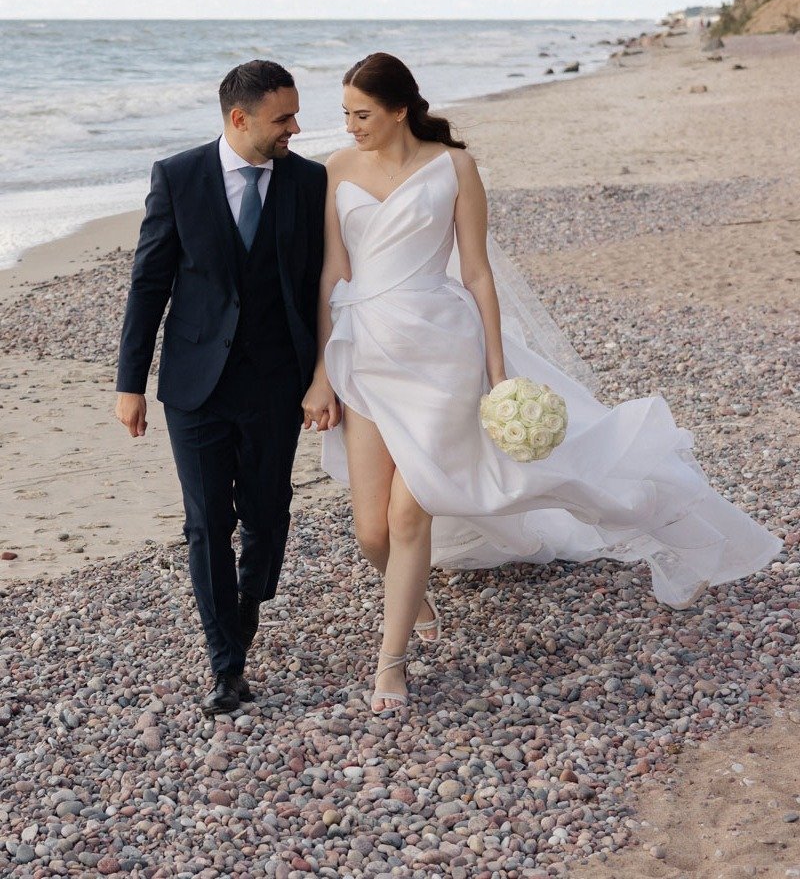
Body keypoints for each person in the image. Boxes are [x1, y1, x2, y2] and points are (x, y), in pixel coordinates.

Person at [301, 51, 782, 714]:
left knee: (410, 513)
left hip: (444, 359)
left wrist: (497, 372)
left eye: (362, 114)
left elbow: (476, 274)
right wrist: (321, 373)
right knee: (371, 530)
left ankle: (391, 665)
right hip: (365, 358)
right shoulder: (336, 171)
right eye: (345, 114)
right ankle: (415, 595)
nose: (350, 126)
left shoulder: (455, 168)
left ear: (399, 111)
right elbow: (332, 274)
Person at [116, 60, 326, 717]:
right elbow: (149, 283)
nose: (296, 126)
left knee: (267, 516)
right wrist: (131, 384)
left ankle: (244, 608)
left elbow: (324, 285)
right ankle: (226, 665)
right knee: (208, 523)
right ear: (240, 119)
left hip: (277, 382)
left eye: (295, 113)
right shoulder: (177, 178)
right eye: (283, 117)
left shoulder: (308, 182)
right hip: (194, 384)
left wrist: (325, 375)